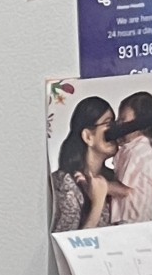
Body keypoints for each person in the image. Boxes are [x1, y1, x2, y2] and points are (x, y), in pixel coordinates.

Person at [50, 95, 125, 232]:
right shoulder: (65, 183)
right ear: (88, 136)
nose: (115, 130)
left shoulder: (114, 179)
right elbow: (67, 242)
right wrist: (97, 203)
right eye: (108, 123)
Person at [109, 92, 152, 223]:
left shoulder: (136, 151)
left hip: (131, 221)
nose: (119, 125)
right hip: (138, 219)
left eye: (123, 120)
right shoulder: (136, 149)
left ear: (141, 124)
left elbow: (123, 190)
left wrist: (97, 184)